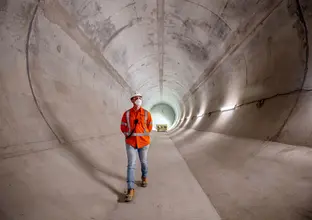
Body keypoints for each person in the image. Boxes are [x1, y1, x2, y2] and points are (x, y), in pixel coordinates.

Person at [120, 92, 153, 202]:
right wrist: (128, 135)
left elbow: (150, 126)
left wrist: (144, 134)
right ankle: (130, 188)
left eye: (140, 97)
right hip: (131, 143)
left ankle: (144, 177)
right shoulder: (127, 114)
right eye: (136, 98)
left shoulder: (147, 114)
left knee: (143, 162)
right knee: (131, 165)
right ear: (132, 100)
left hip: (144, 143)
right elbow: (123, 126)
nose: (138, 99)